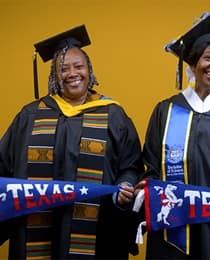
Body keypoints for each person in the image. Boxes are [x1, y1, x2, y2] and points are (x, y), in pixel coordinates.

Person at [0, 25, 144, 259]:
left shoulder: (113, 115)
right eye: (63, 69)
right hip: (36, 227)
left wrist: (124, 188)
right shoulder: (30, 115)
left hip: (97, 231)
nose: (72, 73)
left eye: (79, 66)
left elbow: (131, 166)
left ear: (90, 70)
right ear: (54, 76)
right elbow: (4, 165)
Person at [135, 12, 210, 260]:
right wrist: (145, 188)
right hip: (175, 232)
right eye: (209, 57)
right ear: (192, 63)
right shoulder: (167, 111)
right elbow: (151, 167)